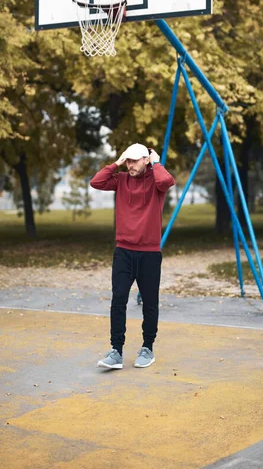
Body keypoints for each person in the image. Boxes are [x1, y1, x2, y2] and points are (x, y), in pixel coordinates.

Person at [90, 143, 175, 370]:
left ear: (146, 160)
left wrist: (156, 162)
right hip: (124, 252)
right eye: (128, 160)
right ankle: (116, 351)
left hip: (149, 253)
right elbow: (96, 182)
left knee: (150, 302)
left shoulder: (156, 181)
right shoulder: (120, 180)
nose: (130, 165)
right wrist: (117, 163)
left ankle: (148, 347)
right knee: (118, 299)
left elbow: (167, 182)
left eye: (134, 160)